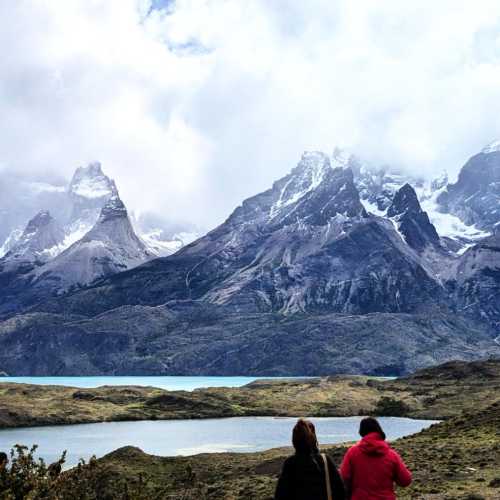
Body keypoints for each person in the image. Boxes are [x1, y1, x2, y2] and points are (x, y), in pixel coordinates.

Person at [340, 417, 412, 499]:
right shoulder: (392, 455)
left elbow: (343, 478)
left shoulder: (352, 452)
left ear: (361, 432)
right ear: (379, 431)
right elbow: (405, 481)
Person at [275, 418, 345, 500]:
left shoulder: (290, 464)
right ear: (314, 438)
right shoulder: (325, 460)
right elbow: (341, 491)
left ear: (294, 440)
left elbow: (280, 495)